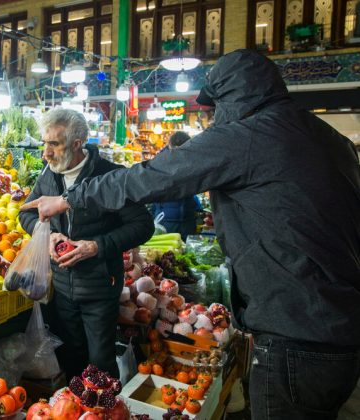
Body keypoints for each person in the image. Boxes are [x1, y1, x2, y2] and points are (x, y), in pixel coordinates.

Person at [21, 49, 360, 419]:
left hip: (295, 328)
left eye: (214, 107)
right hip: (340, 326)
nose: (214, 118)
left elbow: (153, 176)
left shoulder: (249, 136)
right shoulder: (328, 138)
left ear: (232, 98)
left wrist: (71, 199)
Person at [19, 108, 154, 380]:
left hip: (99, 287)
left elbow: (143, 226)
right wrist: (47, 235)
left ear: (77, 144)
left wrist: (96, 246)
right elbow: (26, 212)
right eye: (45, 143)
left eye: (54, 144)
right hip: (61, 288)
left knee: (100, 362)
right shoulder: (50, 175)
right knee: (71, 356)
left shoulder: (110, 176)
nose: (46, 152)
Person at [152, 132, 202, 240]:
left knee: (185, 252)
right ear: (170, 146)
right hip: (166, 220)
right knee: (167, 254)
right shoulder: (160, 163)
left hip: (187, 219)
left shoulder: (193, 161)